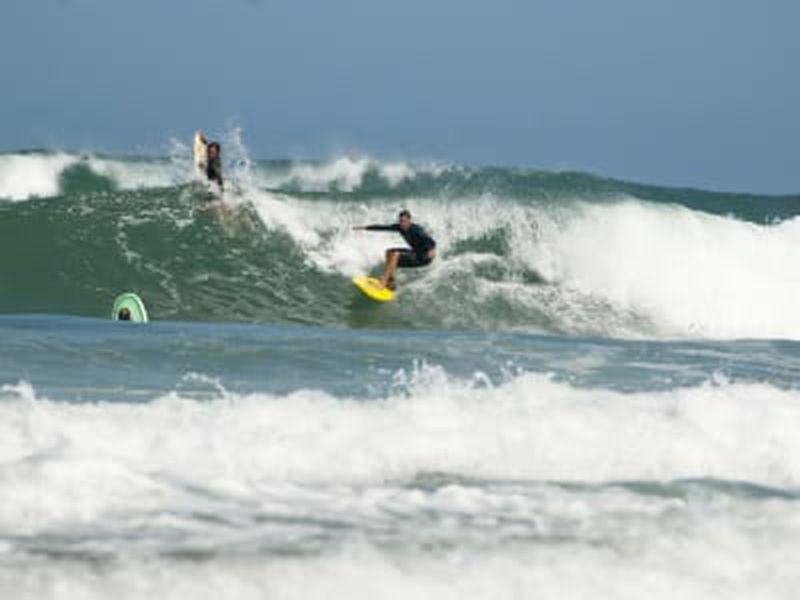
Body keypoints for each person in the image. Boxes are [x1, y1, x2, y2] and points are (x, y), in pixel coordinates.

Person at [353, 210, 436, 290]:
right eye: (400, 221)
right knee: (389, 252)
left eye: (404, 221)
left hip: (423, 257)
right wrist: (364, 227)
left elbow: (431, 241)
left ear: (409, 220)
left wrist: (431, 250)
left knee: (395, 254)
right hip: (415, 253)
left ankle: (383, 283)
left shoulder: (416, 229)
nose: (402, 223)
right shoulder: (400, 227)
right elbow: (383, 228)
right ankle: (390, 281)